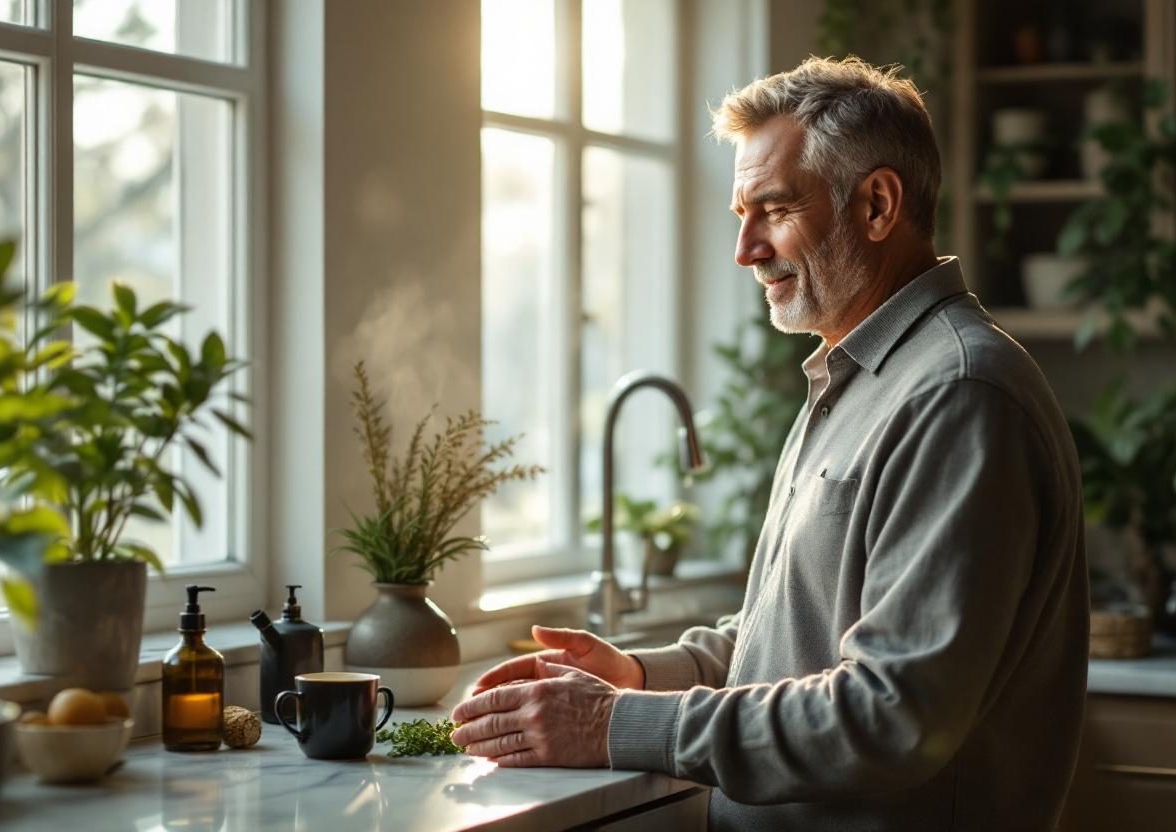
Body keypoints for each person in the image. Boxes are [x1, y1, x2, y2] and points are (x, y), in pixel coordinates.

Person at [451, 56, 1088, 831]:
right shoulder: (858, 374)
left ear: (878, 204)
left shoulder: (958, 396)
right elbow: (797, 640)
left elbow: (892, 717)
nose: (745, 250)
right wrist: (639, 674)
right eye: (740, 215)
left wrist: (611, 724)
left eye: (775, 209)